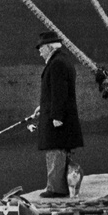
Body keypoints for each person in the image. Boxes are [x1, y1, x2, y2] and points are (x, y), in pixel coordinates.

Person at [28, 31, 83, 197]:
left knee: (55, 150)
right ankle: (62, 186)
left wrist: (57, 116)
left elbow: (60, 92)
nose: (39, 51)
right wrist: (42, 106)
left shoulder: (57, 63)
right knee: (58, 151)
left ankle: (56, 189)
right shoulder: (61, 61)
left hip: (58, 118)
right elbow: (54, 92)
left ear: (50, 47)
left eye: (41, 47)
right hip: (57, 114)